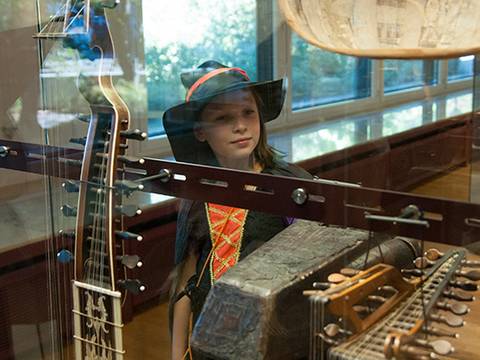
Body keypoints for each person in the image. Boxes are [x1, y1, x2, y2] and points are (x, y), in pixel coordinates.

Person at [162, 60, 311, 360]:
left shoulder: (289, 188)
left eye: (248, 112)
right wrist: (178, 355)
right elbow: (184, 284)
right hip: (208, 344)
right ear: (200, 132)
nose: (240, 125)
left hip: (274, 345)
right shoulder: (197, 195)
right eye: (223, 118)